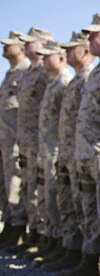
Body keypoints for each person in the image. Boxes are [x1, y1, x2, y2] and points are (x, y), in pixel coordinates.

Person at [55, 13, 100, 276]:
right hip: (85, 152)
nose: (90, 39)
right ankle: (91, 260)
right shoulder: (97, 71)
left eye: (96, 34)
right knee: (89, 210)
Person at [44, 32, 94, 273]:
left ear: (84, 51)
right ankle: (74, 249)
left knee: (94, 208)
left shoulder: (85, 78)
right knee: (74, 203)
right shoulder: (75, 80)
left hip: (89, 151)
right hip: (70, 151)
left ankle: (94, 259)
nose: (67, 52)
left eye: (72, 48)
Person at [12, 27, 54, 255]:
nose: (26, 46)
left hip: (43, 142)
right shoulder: (29, 73)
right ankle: (33, 232)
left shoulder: (45, 74)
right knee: (29, 187)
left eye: (31, 43)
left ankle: (44, 234)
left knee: (42, 190)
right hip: (26, 140)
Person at [30, 41, 73, 265]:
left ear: (61, 58)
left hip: (59, 149)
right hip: (48, 149)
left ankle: (66, 245)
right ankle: (55, 240)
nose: (44, 60)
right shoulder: (53, 83)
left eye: (48, 56)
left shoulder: (65, 82)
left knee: (61, 198)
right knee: (51, 199)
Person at [0, 31, 31, 249]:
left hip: (17, 141)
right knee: (5, 185)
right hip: (5, 140)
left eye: (9, 44)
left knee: (15, 184)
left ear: (21, 48)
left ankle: (18, 229)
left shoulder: (25, 74)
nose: (4, 47)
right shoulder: (10, 74)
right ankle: (10, 225)